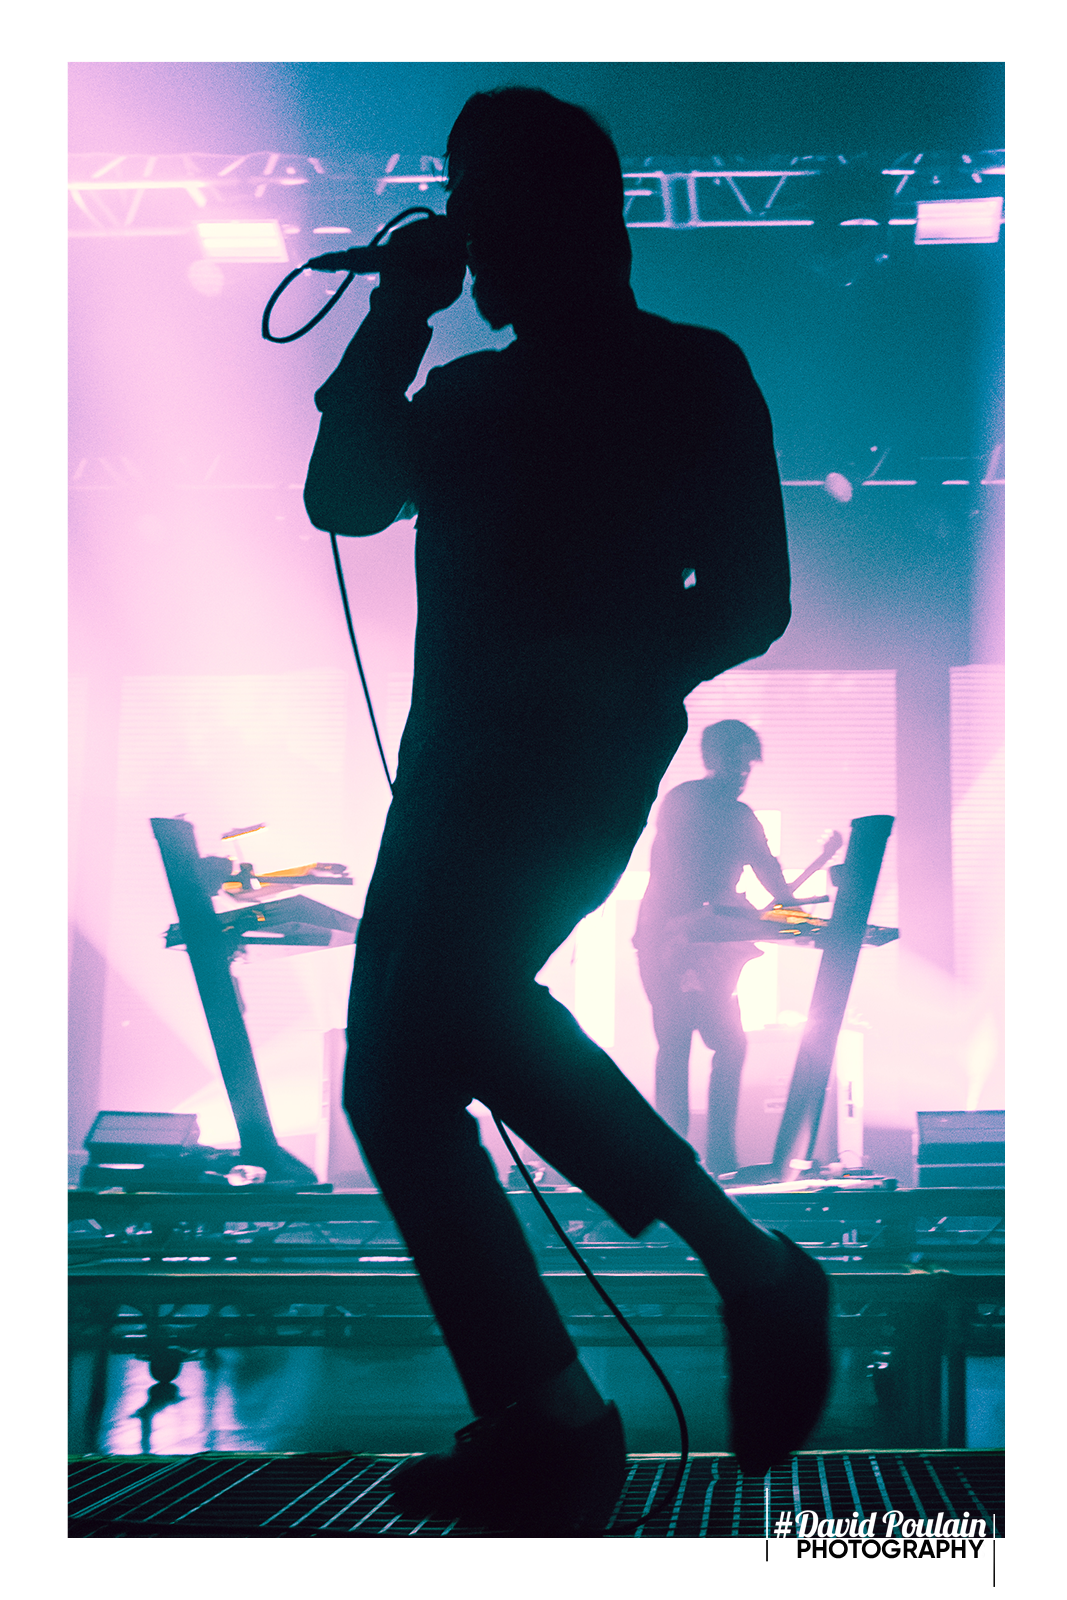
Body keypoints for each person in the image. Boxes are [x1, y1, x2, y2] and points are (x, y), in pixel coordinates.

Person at [303, 87, 829, 1535]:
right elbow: (344, 497)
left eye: (483, 197)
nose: (466, 227)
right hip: (450, 772)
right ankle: (562, 1404)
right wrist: (396, 315)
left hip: (566, 765)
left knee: (445, 1021)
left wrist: (607, 681)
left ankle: (694, 1307)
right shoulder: (468, 396)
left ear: (562, 213)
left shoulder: (687, 372)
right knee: (395, 1083)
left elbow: (750, 596)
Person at [636, 720, 801, 1176]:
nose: (743, 772)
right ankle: (678, 1161)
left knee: (725, 1044)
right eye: (737, 761)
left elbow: (770, 874)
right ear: (712, 758)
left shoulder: (738, 815)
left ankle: (715, 1158)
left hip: (705, 940)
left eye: (748, 764)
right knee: (678, 1042)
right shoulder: (686, 802)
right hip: (667, 941)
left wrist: (796, 918)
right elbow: (677, 871)